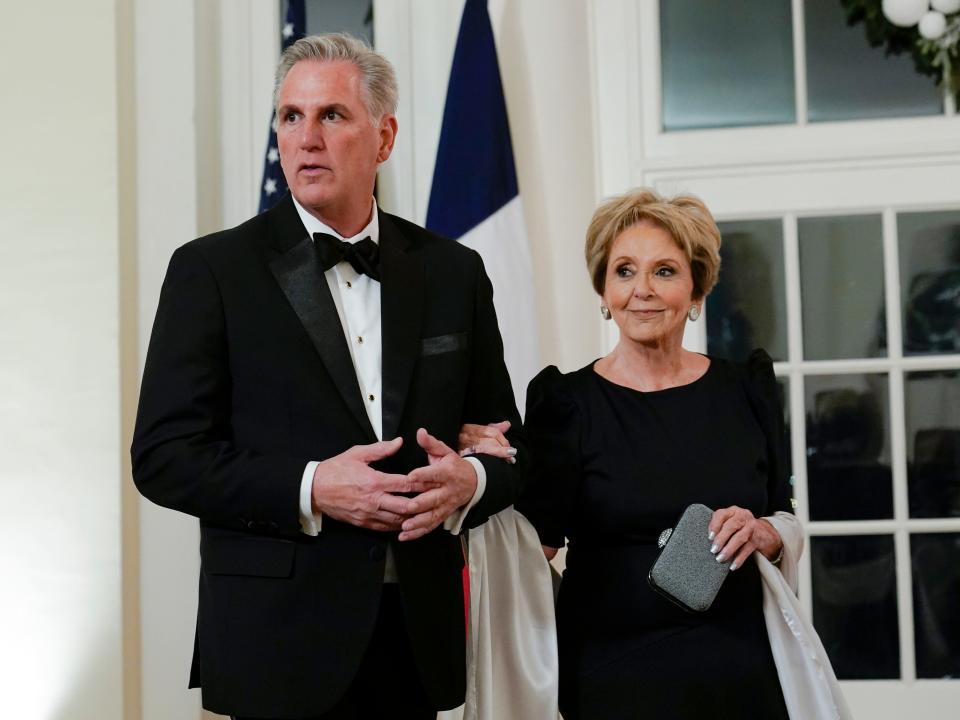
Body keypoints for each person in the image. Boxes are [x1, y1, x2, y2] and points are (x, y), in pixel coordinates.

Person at [131, 33, 526, 720]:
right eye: (290, 117)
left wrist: (472, 481)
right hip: (273, 643)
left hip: (415, 641)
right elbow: (164, 458)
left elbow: (504, 443)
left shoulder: (452, 272)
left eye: (332, 116)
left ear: (384, 135)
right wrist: (313, 486)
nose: (305, 138)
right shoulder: (211, 271)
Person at [468, 188, 795, 718]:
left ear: (697, 291)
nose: (642, 290)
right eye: (624, 271)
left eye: (664, 271)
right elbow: (534, 551)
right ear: (603, 289)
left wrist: (766, 532)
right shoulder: (565, 403)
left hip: (742, 672)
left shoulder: (745, 391)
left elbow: (782, 516)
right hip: (611, 677)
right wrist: (493, 469)